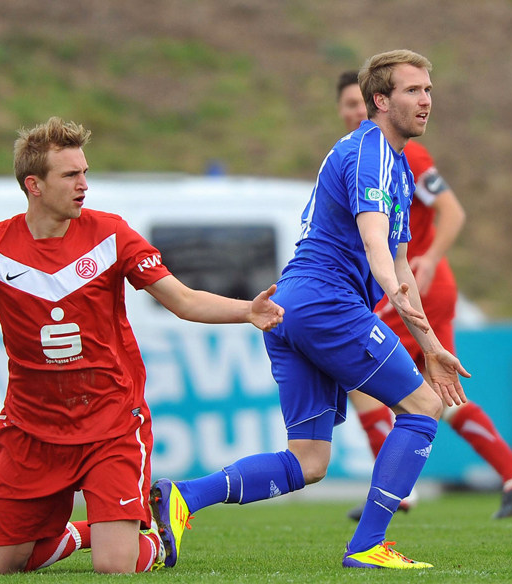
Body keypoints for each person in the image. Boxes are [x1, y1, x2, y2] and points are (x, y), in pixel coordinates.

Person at [0, 117, 284, 574]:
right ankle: (88, 531)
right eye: (70, 175)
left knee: (113, 567)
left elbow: (183, 300)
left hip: (109, 422)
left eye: (85, 172)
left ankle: (153, 541)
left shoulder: (111, 234)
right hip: (30, 429)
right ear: (34, 185)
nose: (84, 184)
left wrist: (246, 310)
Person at [151, 49, 470, 570]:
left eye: (429, 89)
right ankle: (369, 546)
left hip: (290, 308)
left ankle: (185, 497)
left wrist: (430, 346)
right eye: (413, 90)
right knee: (423, 406)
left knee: (310, 461)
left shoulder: (395, 165)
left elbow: (402, 264)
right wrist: (418, 335)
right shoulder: (370, 154)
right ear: (380, 101)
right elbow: (381, 261)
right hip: (326, 302)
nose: (426, 100)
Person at [336, 71, 512, 520]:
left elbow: (452, 211)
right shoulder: (361, 156)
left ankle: (398, 488)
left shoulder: (408, 154)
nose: (356, 111)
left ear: (379, 104)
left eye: (361, 103)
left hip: (416, 285)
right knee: (431, 390)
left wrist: (429, 258)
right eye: (349, 105)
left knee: (363, 375)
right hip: (405, 283)